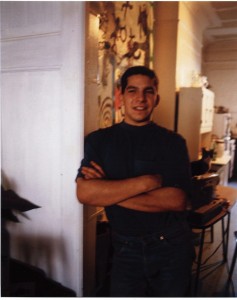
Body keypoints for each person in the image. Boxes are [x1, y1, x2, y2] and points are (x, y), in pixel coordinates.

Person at [76, 66, 195, 297]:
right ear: (119, 96)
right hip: (124, 249)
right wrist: (149, 181)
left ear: (156, 98)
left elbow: (177, 200)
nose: (140, 98)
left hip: (171, 246)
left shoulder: (173, 142)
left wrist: (108, 190)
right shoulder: (98, 141)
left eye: (148, 91)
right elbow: (85, 194)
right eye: (132, 90)